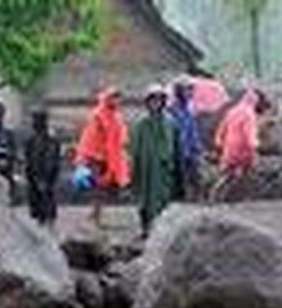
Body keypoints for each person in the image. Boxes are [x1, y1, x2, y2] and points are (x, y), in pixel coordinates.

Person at [75, 87, 131, 227]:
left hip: (112, 157)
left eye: (118, 98)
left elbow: (121, 136)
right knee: (98, 188)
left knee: (105, 189)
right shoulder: (98, 115)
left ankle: (96, 214)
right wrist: (93, 156)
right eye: (114, 98)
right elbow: (91, 137)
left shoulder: (117, 116)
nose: (117, 101)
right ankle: (96, 215)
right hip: (98, 157)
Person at [131, 84, 181, 237]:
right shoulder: (141, 124)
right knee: (144, 199)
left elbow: (175, 144)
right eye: (153, 100)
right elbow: (135, 148)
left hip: (164, 168)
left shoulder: (170, 122)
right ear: (147, 102)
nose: (156, 103)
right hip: (145, 167)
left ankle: (161, 229)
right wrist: (135, 167)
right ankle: (145, 228)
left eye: (159, 100)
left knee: (164, 199)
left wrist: (173, 164)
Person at [212, 88, 261, 202]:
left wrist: (219, 142)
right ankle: (243, 196)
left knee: (228, 174)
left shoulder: (232, 111)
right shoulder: (249, 114)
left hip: (229, 148)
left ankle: (216, 194)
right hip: (243, 150)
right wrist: (255, 146)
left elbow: (221, 128)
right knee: (247, 174)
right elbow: (249, 134)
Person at [24, 109, 62, 227]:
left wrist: (45, 178)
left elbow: (51, 160)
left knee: (45, 201)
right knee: (39, 204)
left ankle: (47, 222)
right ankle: (43, 221)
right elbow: (29, 159)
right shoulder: (32, 140)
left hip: (44, 176)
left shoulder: (48, 140)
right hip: (37, 177)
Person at [168, 79, 204, 200]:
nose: (190, 93)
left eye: (191, 90)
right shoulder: (172, 111)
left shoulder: (188, 110)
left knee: (195, 176)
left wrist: (197, 146)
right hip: (177, 151)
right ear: (179, 92)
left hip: (190, 150)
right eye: (186, 90)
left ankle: (195, 198)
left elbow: (192, 131)